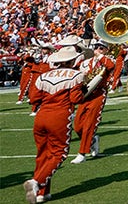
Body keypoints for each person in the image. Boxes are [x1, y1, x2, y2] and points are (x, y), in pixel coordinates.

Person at [25, 46, 84, 204]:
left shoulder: (44, 76)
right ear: (71, 60)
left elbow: (33, 98)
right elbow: (76, 98)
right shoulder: (76, 74)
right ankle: (36, 182)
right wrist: (85, 90)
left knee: (43, 155)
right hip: (59, 116)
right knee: (59, 153)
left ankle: (42, 194)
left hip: (41, 116)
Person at [72, 39, 123, 163]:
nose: (98, 50)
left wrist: (100, 55)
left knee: (89, 124)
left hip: (99, 94)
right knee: (78, 126)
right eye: (97, 47)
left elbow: (111, 66)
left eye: (101, 48)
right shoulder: (86, 62)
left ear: (106, 50)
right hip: (85, 94)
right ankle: (93, 140)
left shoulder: (108, 61)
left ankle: (82, 153)